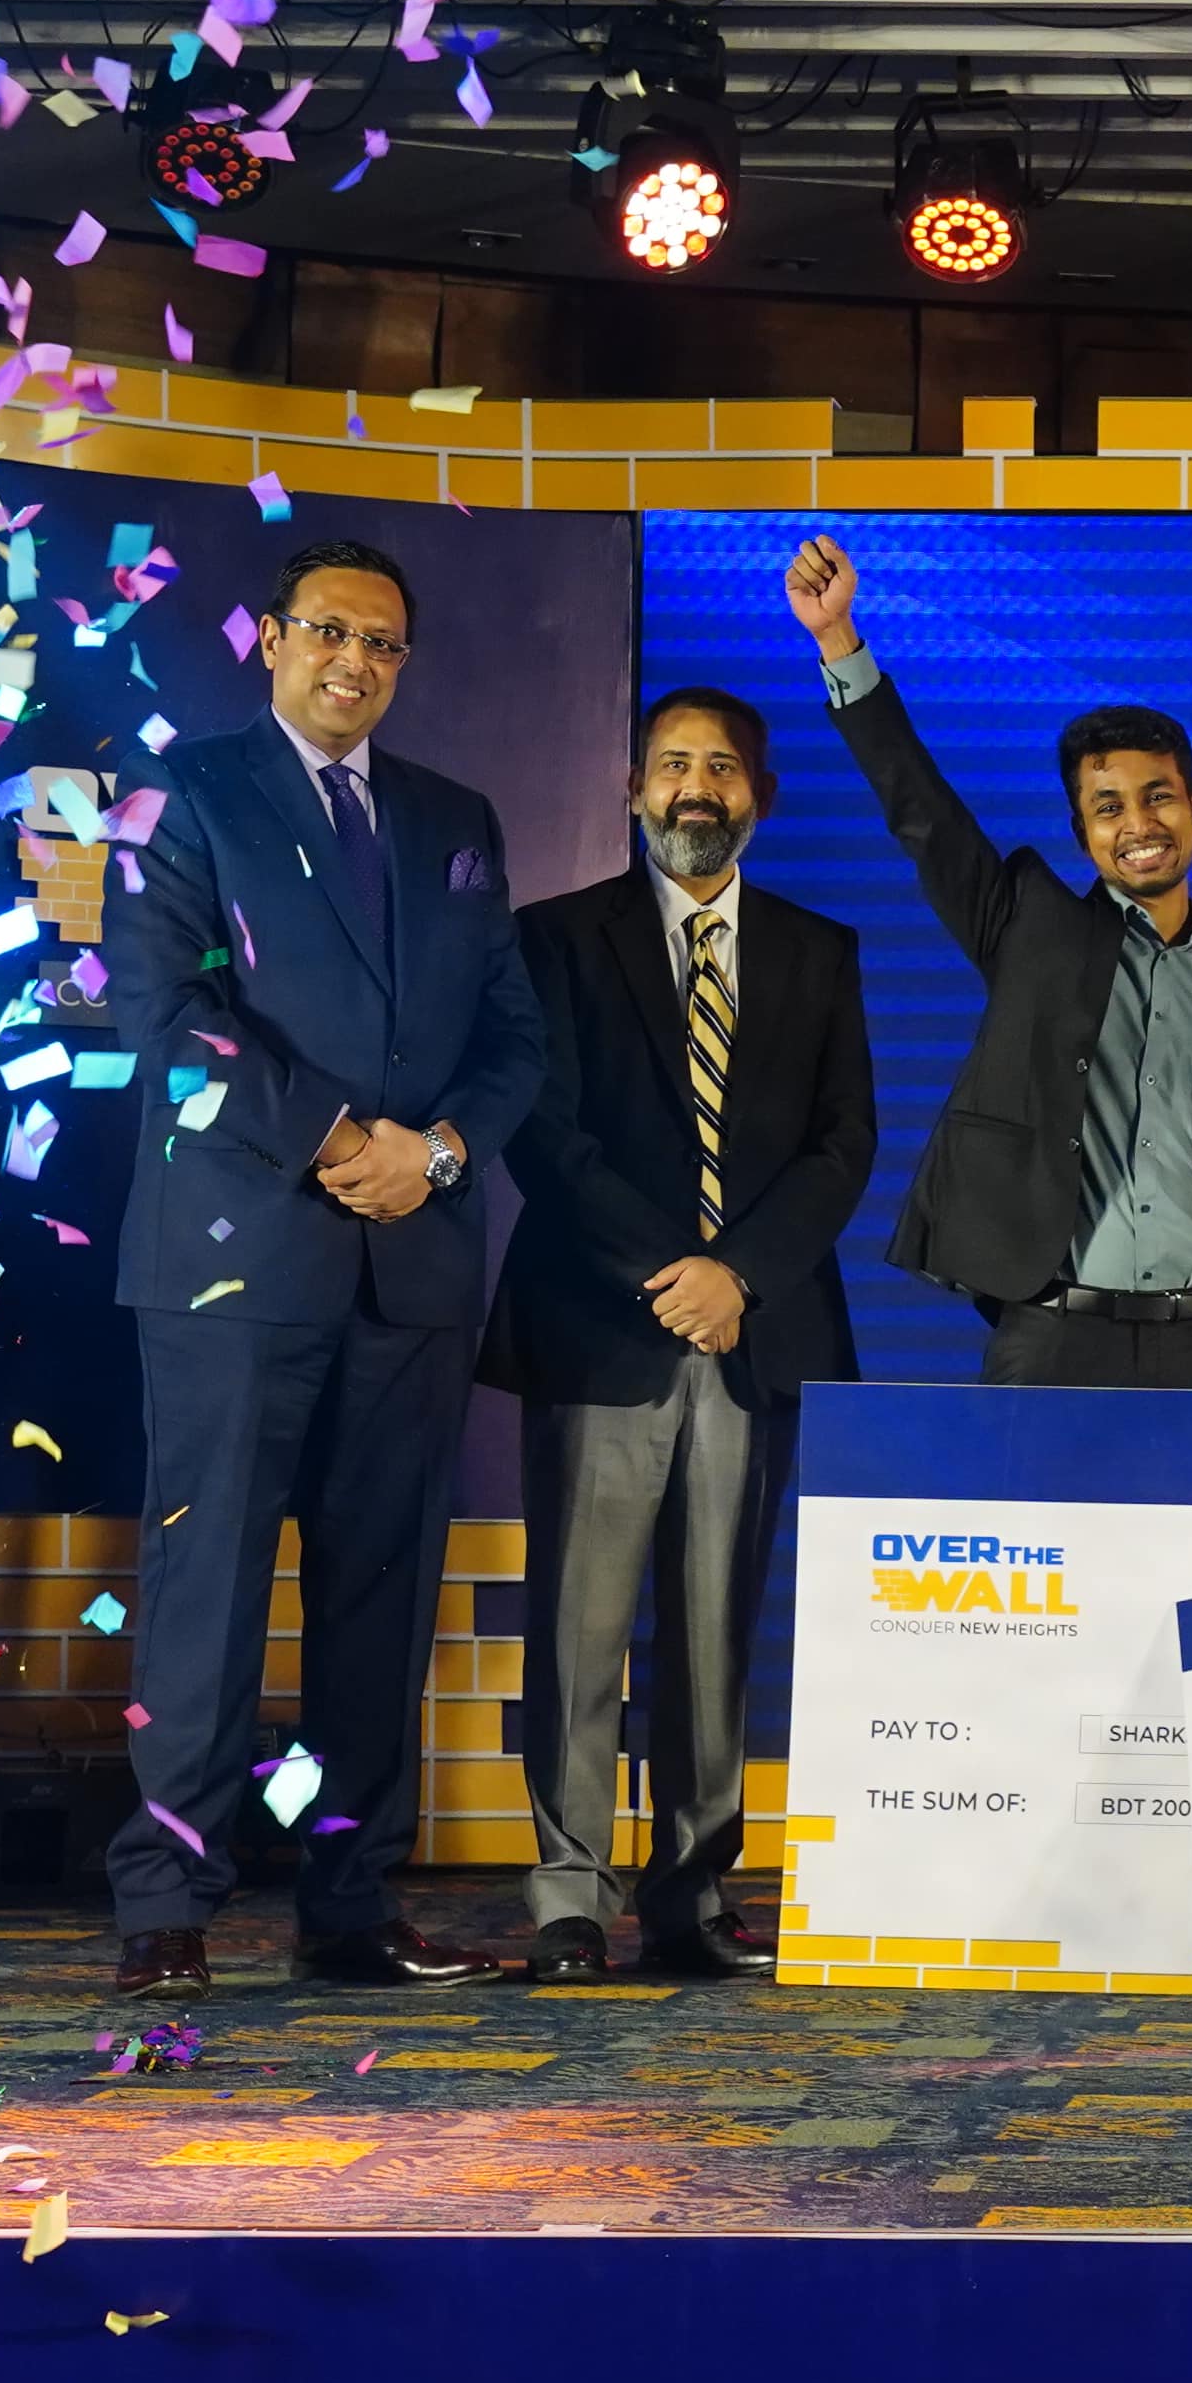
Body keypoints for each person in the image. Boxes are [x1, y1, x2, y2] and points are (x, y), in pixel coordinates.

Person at [104, 541, 547, 2000]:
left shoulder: (455, 818)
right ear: (274, 639)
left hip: (414, 1260)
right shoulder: (184, 791)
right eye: (331, 632)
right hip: (235, 1264)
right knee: (209, 1589)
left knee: (379, 1598)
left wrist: (440, 1154)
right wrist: (342, 1137)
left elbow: (513, 1038)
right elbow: (163, 1011)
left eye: (384, 643)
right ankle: (168, 1903)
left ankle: (349, 1903)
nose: (356, 660)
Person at [783, 535, 1192, 1385]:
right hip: (1050, 1334)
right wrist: (838, 639)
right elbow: (922, 811)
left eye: (1158, 797)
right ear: (1082, 833)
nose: (1138, 824)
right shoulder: (1030, 926)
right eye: (1108, 807)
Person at [493, 682, 875, 1987]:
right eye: (671, 764)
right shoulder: (554, 938)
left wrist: (738, 1279)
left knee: (717, 1630)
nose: (694, 788)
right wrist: (674, 1274)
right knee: (579, 1629)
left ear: (758, 796)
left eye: (720, 766)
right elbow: (545, 1134)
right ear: (633, 790)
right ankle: (568, 1898)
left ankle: (692, 1893)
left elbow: (844, 1146)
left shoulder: (820, 952)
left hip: (752, 1336)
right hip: (605, 1324)